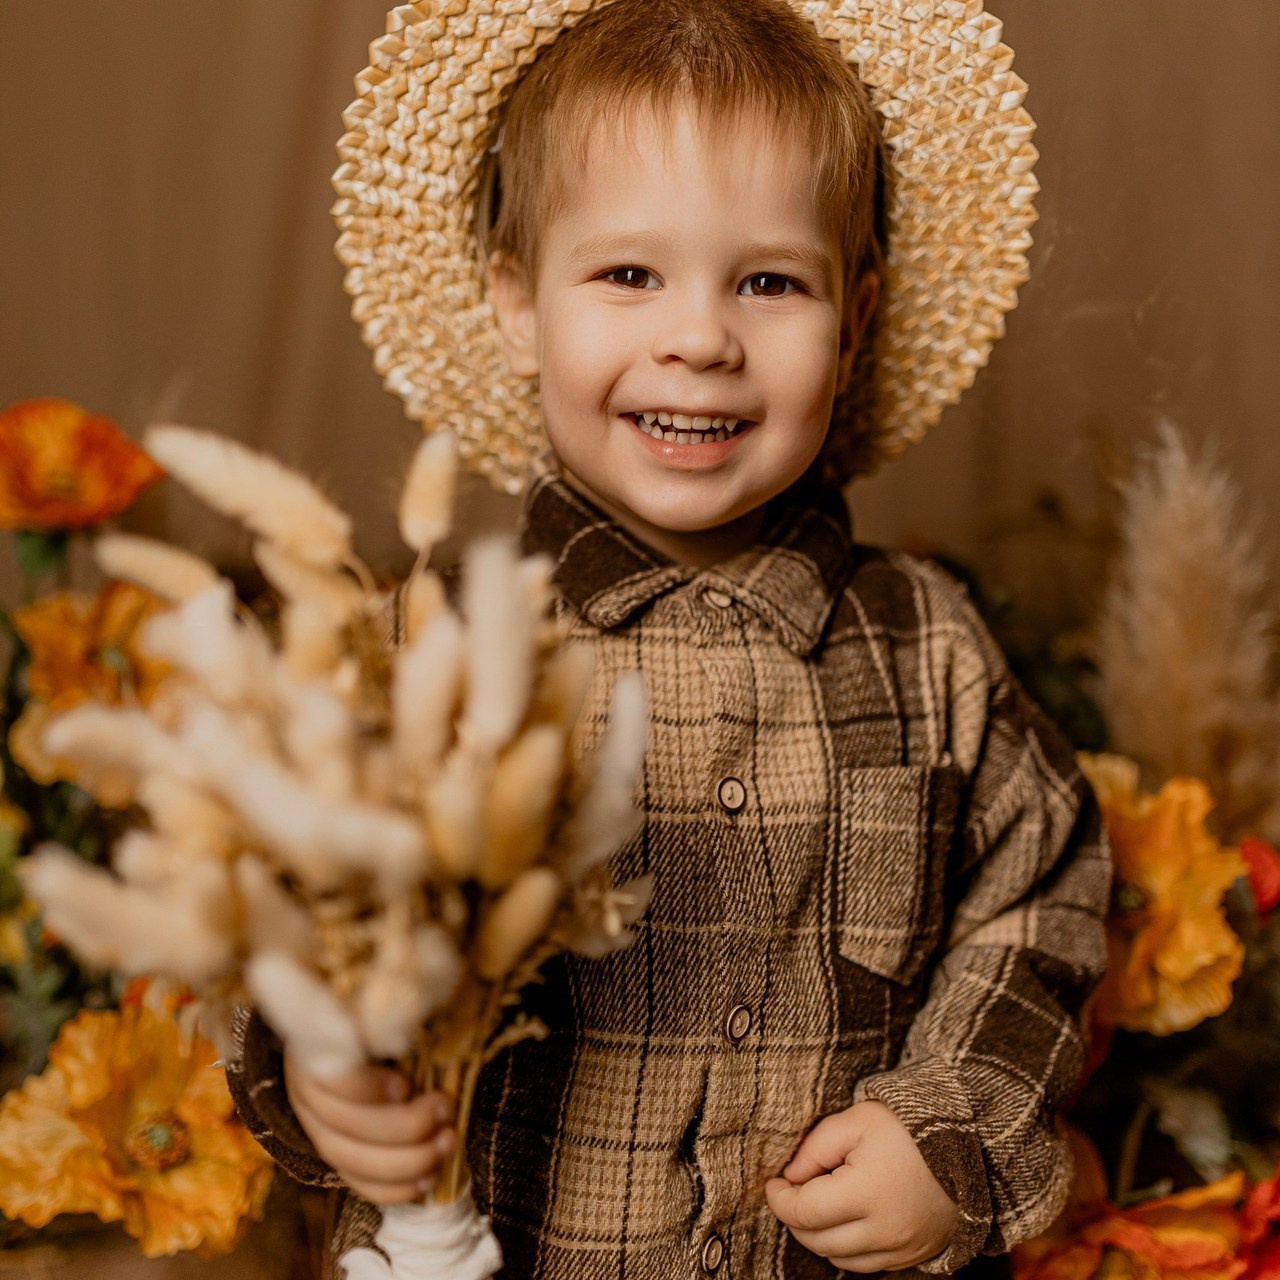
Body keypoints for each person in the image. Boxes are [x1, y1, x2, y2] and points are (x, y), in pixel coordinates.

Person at [229, 1, 1111, 1276]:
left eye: (767, 280)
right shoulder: (415, 657)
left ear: (852, 322)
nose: (698, 337)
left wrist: (949, 1132)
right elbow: (269, 907)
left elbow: (1038, 897)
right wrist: (318, 1070)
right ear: (517, 304)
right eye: (628, 273)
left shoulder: (928, 646)